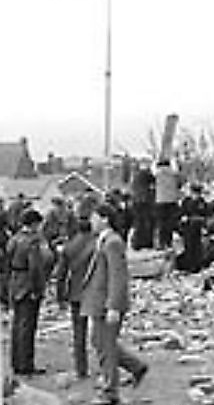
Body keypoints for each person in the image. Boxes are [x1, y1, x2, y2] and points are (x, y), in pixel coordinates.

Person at [83, 204, 148, 405]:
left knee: (106, 346)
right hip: (98, 301)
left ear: (105, 219)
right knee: (99, 341)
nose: (91, 222)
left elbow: (117, 276)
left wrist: (114, 306)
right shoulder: (102, 241)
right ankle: (136, 366)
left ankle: (110, 390)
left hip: (107, 303)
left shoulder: (113, 243)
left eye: (94, 218)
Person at [7, 208, 54, 376]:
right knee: (28, 326)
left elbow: (7, 260)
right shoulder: (33, 242)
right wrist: (37, 288)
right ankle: (26, 364)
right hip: (28, 283)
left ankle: (16, 362)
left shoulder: (14, 239)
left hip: (16, 281)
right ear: (34, 224)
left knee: (17, 324)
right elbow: (35, 267)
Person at [53, 215, 95, 379]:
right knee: (101, 333)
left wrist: (60, 297)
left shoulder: (69, 246)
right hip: (95, 292)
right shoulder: (97, 244)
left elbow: (61, 274)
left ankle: (81, 368)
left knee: (79, 333)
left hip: (76, 292)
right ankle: (107, 367)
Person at [177, 183, 212, 273]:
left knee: (197, 247)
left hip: (197, 227)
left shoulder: (202, 202)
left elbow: (206, 214)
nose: (196, 195)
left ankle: (196, 266)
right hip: (188, 227)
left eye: (197, 193)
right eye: (194, 193)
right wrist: (183, 218)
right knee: (188, 246)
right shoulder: (186, 201)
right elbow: (181, 213)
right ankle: (189, 265)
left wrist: (203, 224)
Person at [154, 159, 181, 249]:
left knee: (161, 222)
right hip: (172, 200)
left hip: (160, 200)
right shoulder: (173, 173)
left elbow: (152, 169)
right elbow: (178, 173)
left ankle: (161, 242)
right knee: (170, 223)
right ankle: (168, 242)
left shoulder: (157, 173)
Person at [131, 158, 156, 249]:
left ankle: (137, 242)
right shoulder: (146, 174)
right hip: (145, 201)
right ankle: (146, 242)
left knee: (138, 222)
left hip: (136, 201)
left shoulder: (135, 175)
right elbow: (155, 181)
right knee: (147, 221)